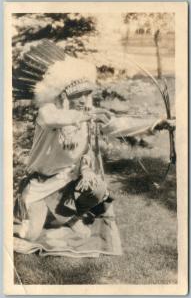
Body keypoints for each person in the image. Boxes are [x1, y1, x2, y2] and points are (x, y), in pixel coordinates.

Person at [14, 57, 175, 243]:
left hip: (67, 184)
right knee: (30, 235)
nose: (83, 99)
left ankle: (67, 218)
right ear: (64, 96)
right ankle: (45, 217)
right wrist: (87, 115)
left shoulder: (87, 115)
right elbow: (53, 119)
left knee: (97, 189)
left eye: (87, 93)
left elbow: (120, 124)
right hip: (39, 186)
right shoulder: (48, 111)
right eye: (78, 94)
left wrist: (159, 124)